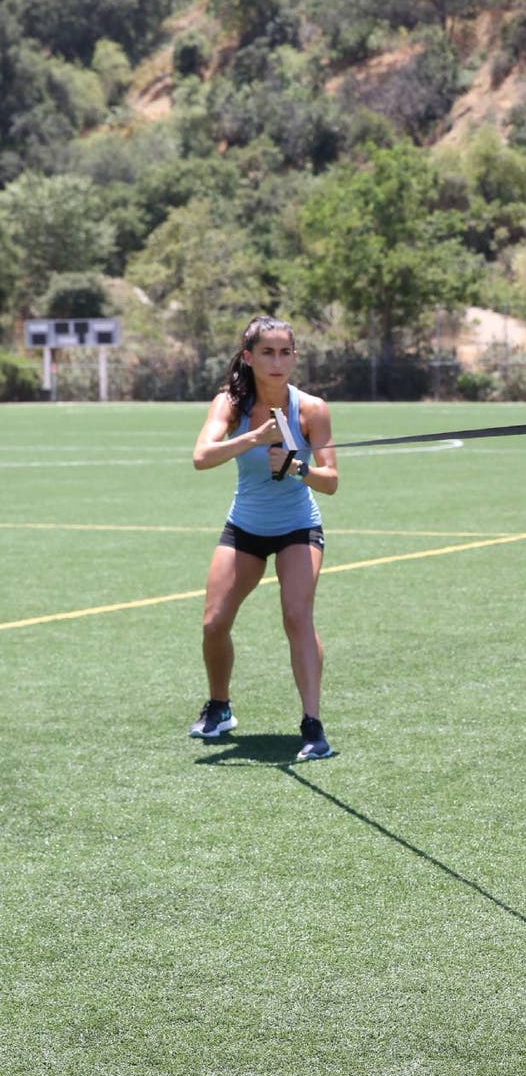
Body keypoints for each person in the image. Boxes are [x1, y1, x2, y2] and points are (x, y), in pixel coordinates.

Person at [189, 316, 341, 763]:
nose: (278, 362)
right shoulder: (230, 404)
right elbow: (202, 457)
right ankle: (219, 707)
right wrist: (255, 437)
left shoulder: (311, 409)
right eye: (268, 353)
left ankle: (312, 725)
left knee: (297, 616)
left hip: (297, 527)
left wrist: (298, 467)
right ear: (248, 357)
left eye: (285, 352)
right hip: (245, 527)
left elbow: (331, 481)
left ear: (295, 357)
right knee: (214, 623)